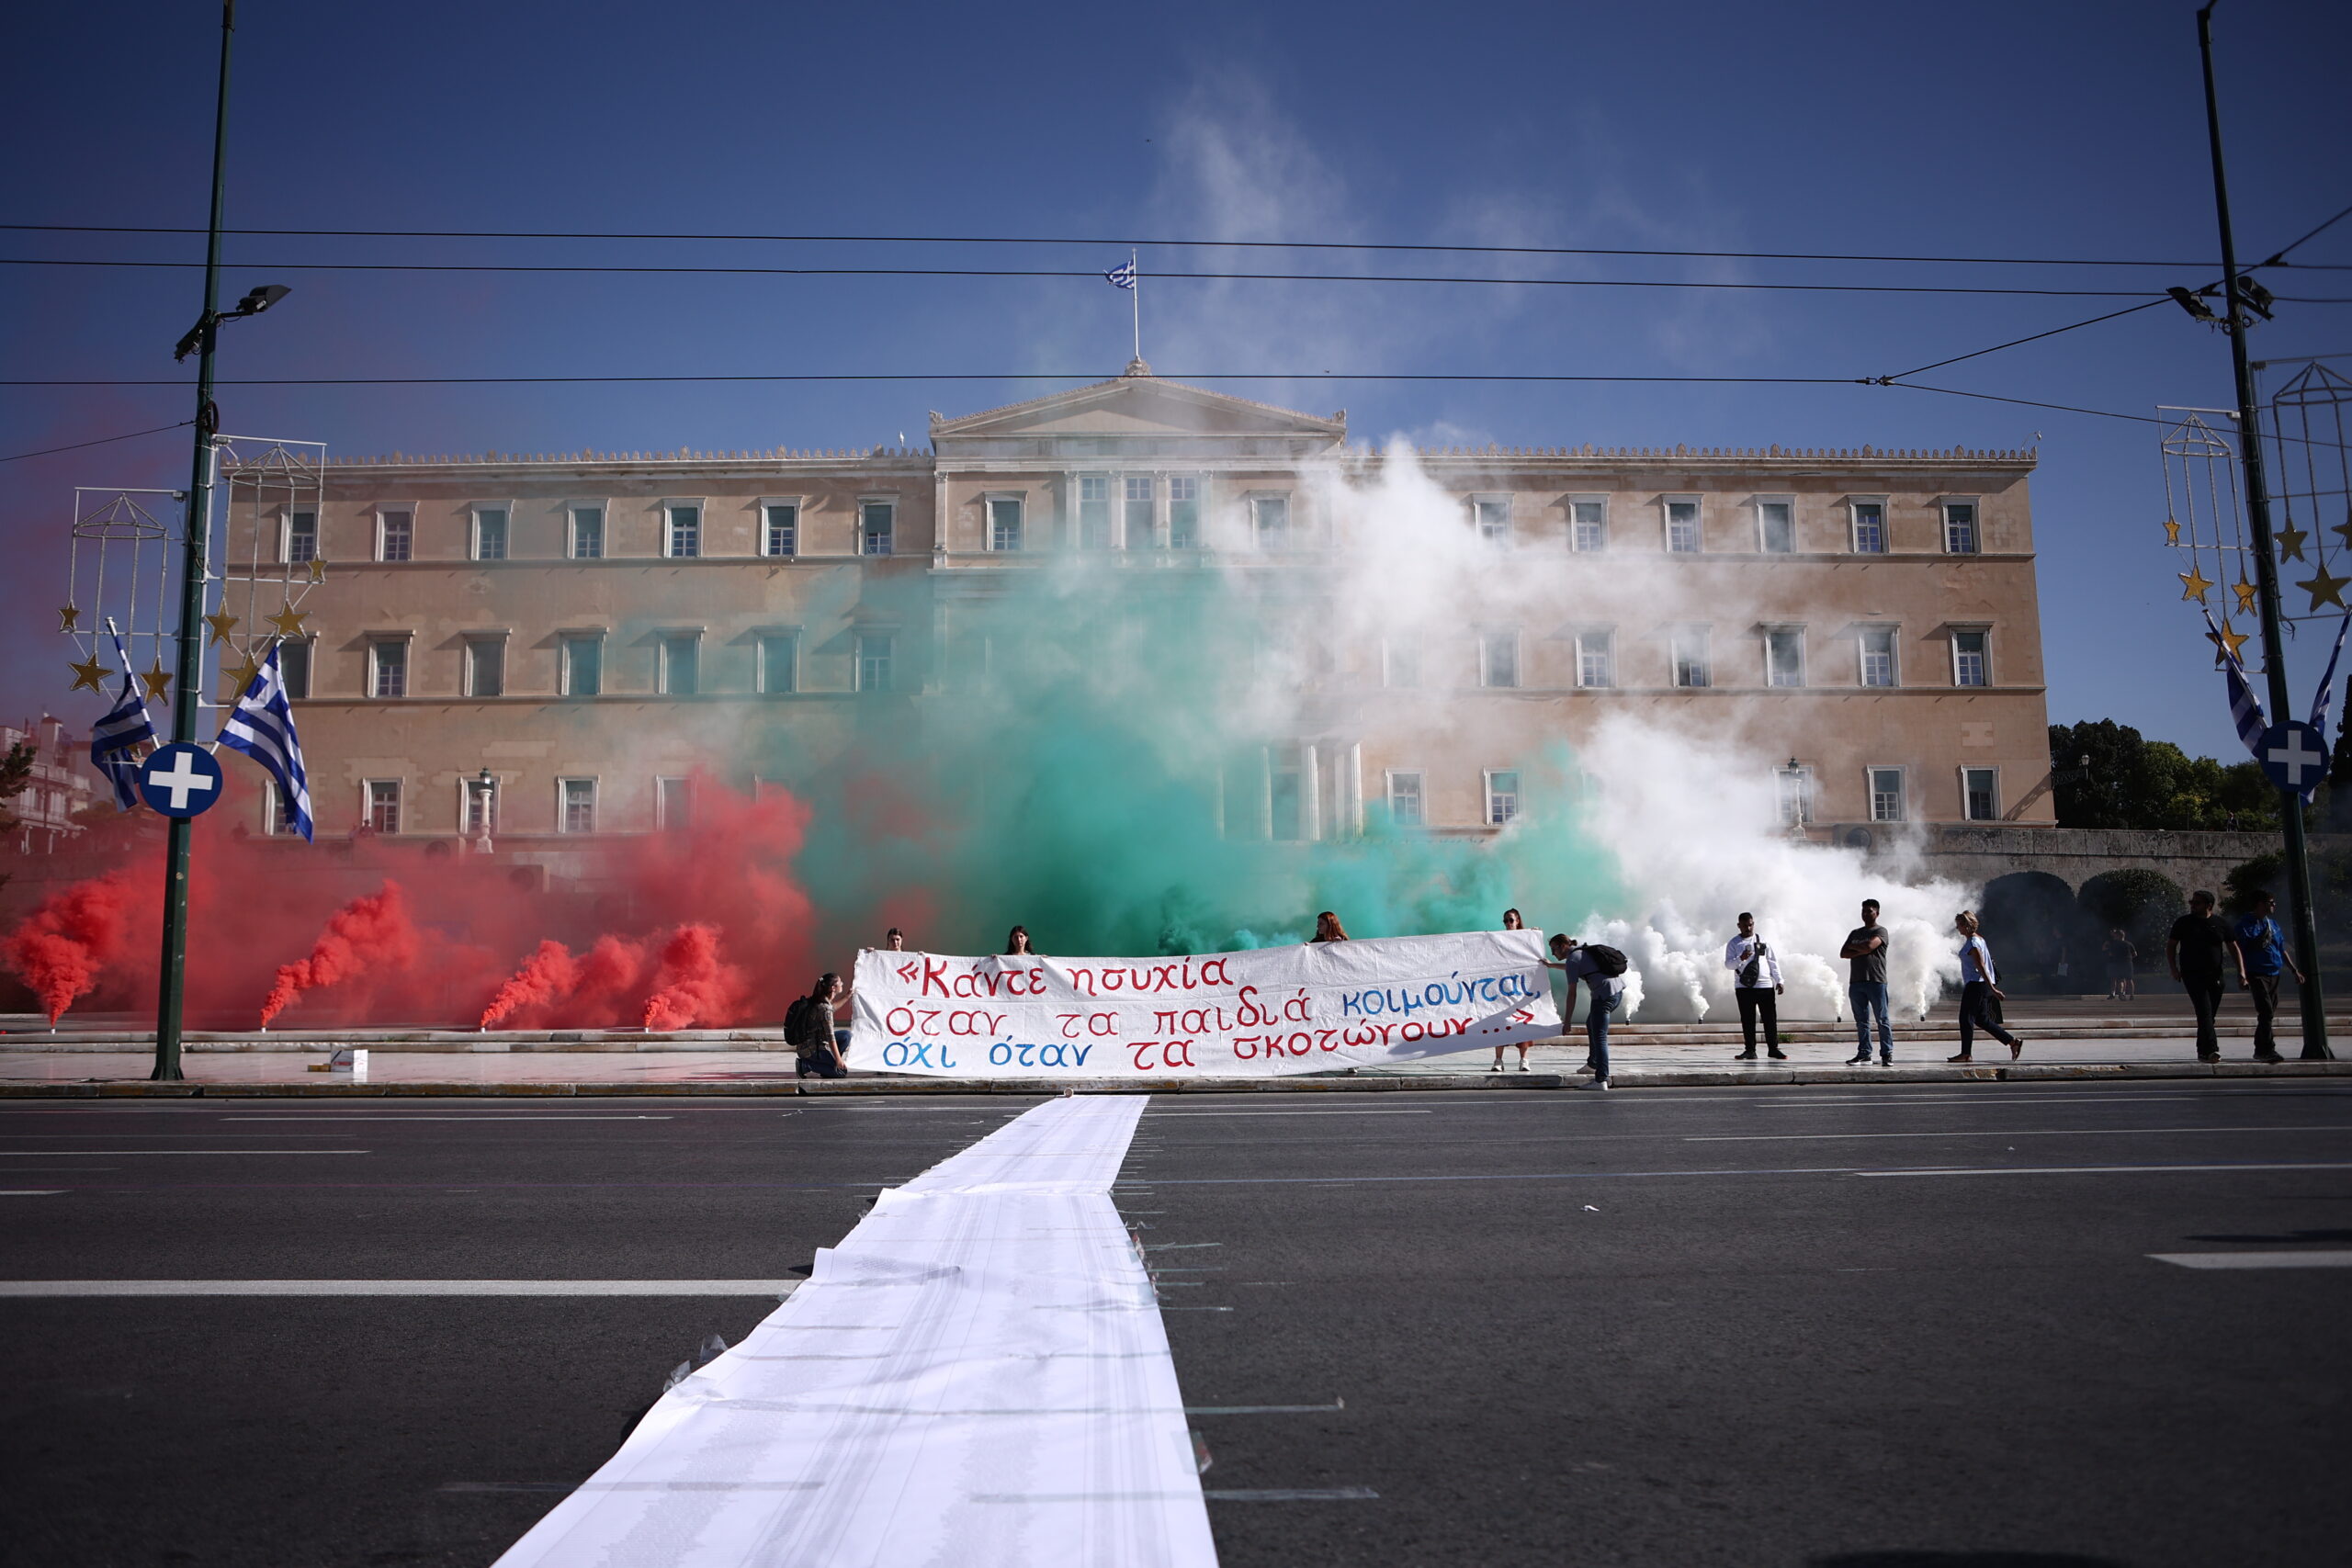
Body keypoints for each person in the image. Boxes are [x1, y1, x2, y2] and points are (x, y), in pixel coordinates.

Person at [1544, 936, 1624, 1089]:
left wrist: (1567, 1021)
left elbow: (1572, 993)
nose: (1553, 953)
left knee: (1600, 1036)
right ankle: (1593, 1063)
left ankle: (1601, 1079)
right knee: (1591, 1024)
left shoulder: (1573, 959)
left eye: (1554, 949)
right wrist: (1551, 965)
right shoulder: (1580, 952)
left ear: (1563, 946)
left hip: (1603, 995)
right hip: (1616, 992)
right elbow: (1572, 967)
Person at [2231, 890, 2301, 1063]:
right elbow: (2239, 949)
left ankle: (2260, 1047)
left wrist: (2294, 970)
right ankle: (2267, 1049)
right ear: (2260, 904)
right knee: (2266, 1011)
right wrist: (2242, 975)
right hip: (2256, 973)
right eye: (2270, 902)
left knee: (2268, 1014)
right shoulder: (2245, 925)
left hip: (2274, 973)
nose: (2273, 905)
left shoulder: (2273, 925)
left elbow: (2281, 949)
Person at [1946, 911, 2025, 1062]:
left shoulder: (1973, 944)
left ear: (1966, 926)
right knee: (1982, 1019)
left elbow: (1981, 966)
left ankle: (1966, 1054)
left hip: (1976, 984)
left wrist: (1993, 989)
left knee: (1965, 1018)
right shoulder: (1979, 940)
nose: (1957, 928)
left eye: (1959, 925)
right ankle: (2012, 1042)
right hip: (1980, 984)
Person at [2166, 890, 2233, 1062]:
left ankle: (2202, 1051)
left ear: (2209, 905)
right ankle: (2212, 1049)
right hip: (2192, 975)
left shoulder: (2220, 923)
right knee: (2204, 1012)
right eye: (2192, 902)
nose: (2193, 906)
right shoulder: (2184, 923)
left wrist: (2241, 971)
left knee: (2210, 1016)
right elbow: (2171, 946)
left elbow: (2233, 947)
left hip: (2216, 975)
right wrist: (2174, 968)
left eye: (2197, 903)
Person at [1724, 912, 1786, 1061]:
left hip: (1765, 985)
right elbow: (1728, 965)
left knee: (1770, 1019)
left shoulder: (1762, 940)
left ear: (1753, 923)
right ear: (1739, 926)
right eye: (1745, 925)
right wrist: (1741, 958)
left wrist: (1779, 980)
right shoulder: (1734, 943)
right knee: (1748, 1019)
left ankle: (1773, 1049)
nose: (1748, 928)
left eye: (1750, 924)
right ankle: (1750, 1050)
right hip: (1744, 987)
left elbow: (1772, 961)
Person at [1840, 898, 1894, 1066]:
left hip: (1876, 981)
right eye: (1863, 911)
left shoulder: (1881, 931)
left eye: (1869, 911)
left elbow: (1870, 946)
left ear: (1877, 913)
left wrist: (1857, 948)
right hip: (1856, 982)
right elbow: (1843, 953)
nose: (1865, 914)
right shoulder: (1855, 933)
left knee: (1882, 1019)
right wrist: (1861, 948)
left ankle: (1887, 1053)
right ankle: (1864, 1053)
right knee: (1861, 1021)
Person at [1491, 908, 1536, 1071]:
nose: (1508, 924)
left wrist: (1534, 936)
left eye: (1510, 920)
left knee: (1522, 1023)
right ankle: (1498, 1060)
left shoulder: (1525, 938)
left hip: (1521, 988)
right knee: (1500, 1023)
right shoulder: (1500, 939)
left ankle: (1524, 1060)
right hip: (1503, 988)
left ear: (1517, 921)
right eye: (1505, 921)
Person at [789, 973, 847, 1079]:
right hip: (811, 1050)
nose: (842, 984)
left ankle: (827, 1067)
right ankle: (805, 1065)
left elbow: (832, 1008)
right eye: (840, 983)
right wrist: (838, 1059)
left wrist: (847, 996)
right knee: (841, 1072)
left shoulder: (818, 1001)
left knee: (846, 1035)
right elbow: (831, 1037)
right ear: (833, 988)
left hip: (809, 1044)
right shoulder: (825, 1009)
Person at [2102, 927, 2137, 1002]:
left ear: (2118, 936)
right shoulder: (2129, 943)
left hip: (2118, 963)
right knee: (2129, 979)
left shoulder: (2114, 944)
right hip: (2128, 963)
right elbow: (2135, 954)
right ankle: (2131, 995)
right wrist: (2129, 958)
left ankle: (2121, 993)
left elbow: (2110, 953)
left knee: (2120, 979)